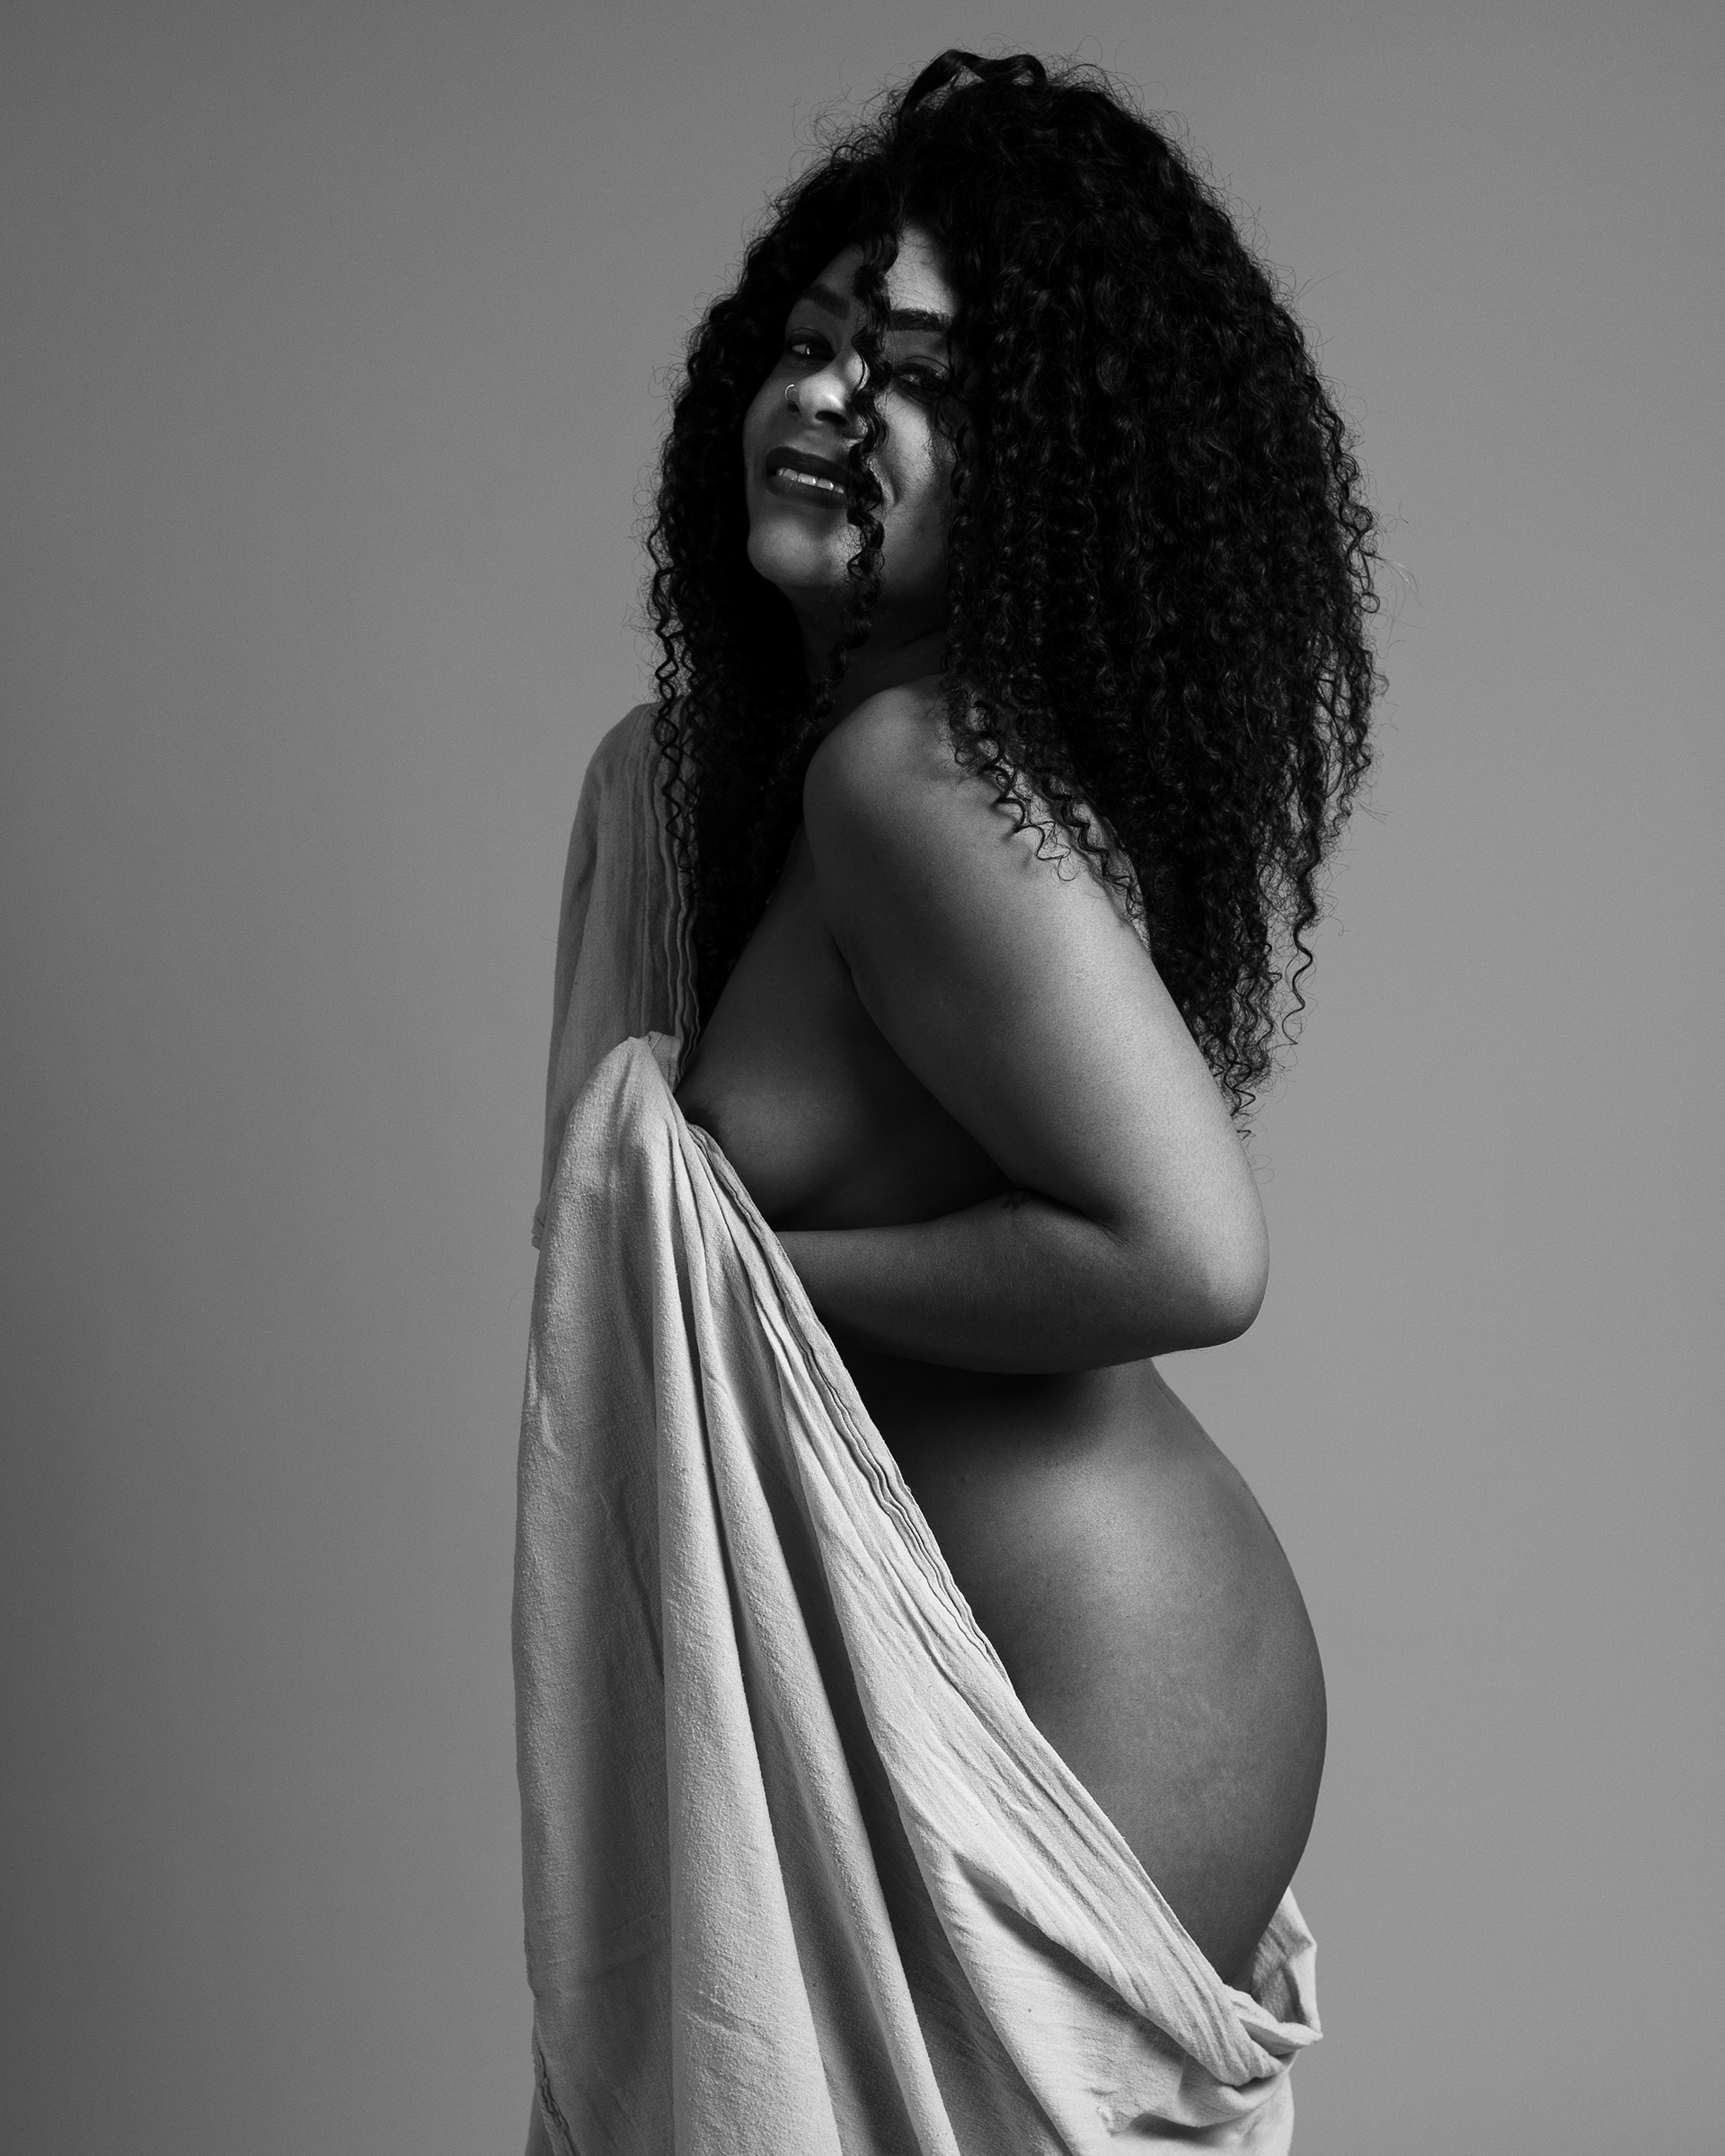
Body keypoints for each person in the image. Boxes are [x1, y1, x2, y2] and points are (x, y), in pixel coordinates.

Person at [518, 49, 1376, 2156]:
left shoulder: (911, 782)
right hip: (1025, 1703)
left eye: (914, 379)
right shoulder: (816, 775)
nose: (829, 401)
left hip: (1064, 1719)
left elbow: (1187, 1253)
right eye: (809, 346)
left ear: (1044, 469)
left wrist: (752, 1284)